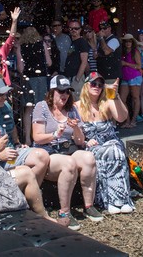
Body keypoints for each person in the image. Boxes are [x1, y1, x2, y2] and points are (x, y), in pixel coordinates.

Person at [32, 75, 101, 230]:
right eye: (60, 91)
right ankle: (64, 212)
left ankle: (88, 205)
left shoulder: (72, 110)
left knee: (89, 157)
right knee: (68, 163)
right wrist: (55, 134)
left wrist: (76, 128)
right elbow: (36, 137)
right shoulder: (41, 107)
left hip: (69, 148)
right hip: (49, 151)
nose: (64, 95)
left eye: (67, 92)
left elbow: (80, 141)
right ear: (52, 92)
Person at [75, 72, 134, 214]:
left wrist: (115, 95)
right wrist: (86, 142)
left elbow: (122, 117)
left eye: (100, 85)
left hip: (111, 143)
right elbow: (74, 134)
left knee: (115, 150)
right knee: (110, 152)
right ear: (86, 86)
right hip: (92, 146)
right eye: (93, 84)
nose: (97, 87)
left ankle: (120, 200)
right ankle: (110, 200)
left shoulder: (106, 103)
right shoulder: (76, 107)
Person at [0, 75, 51, 189]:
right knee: (27, 170)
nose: (4, 97)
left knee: (42, 156)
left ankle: (29, 195)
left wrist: (17, 143)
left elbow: (11, 128)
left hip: (12, 153)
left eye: (5, 94)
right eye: (0, 94)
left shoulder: (5, 106)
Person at [19, 25, 52, 143]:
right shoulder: (42, 44)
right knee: (42, 107)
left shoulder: (20, 46)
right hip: (41, 78)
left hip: (28, 79)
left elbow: (20, 67)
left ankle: (28, 138)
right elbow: (49, 62)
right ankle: (42, 136)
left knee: (29, 109)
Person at [118, 33, 143, 128]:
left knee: (136, 98)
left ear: (132, 42)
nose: (128, 43)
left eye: (130, 41)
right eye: (126, 41)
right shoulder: (123, 52)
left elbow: (139, 66)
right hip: (125, 77)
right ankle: (127, 120)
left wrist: (125, 63)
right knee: (122, 99)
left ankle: (133, 120)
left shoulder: (135, 52)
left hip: (134, 77)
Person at [63, 20, 89, 93]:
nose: (73, 30)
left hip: (76, 77)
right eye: (71, 28)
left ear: (80, 29)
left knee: (77, 100)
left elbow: (84, 61)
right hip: (70, 76)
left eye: (76, 28)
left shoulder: (82, 42)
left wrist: (77, 78)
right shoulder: (72, 42)